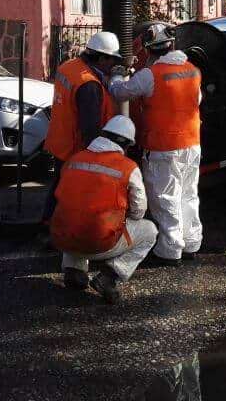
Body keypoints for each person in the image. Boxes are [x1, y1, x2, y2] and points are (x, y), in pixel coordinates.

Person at [109, 25, 202, 266]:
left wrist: (118, 74)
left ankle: (170, 250)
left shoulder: (150, 74)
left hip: (164, 146)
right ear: (171, 46)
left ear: (149, 51)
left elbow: (120, 93)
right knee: (189, 194)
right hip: (192, 143)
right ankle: (191, 242)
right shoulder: (192, 70)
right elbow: (197, 99)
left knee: (165, 197)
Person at [50, 115, 157, 304]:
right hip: (100, 242)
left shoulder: (75, 159)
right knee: (149, 230)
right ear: (125, 144)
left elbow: (65, 200)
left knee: (75, 216)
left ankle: (74, 270)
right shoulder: (128, 168)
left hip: (61, 236)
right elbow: (139, 211)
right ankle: (108, 276)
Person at [44, 30, 120, 287]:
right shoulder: (89, 84)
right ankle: (62, 237)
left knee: (57, 190)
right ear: (100, 58)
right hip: (75, 149)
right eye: (111, 61)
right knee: (70, 197)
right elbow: (90, 128)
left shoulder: (69, 67)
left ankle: (48, 230)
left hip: (59, 141)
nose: (113, 65)